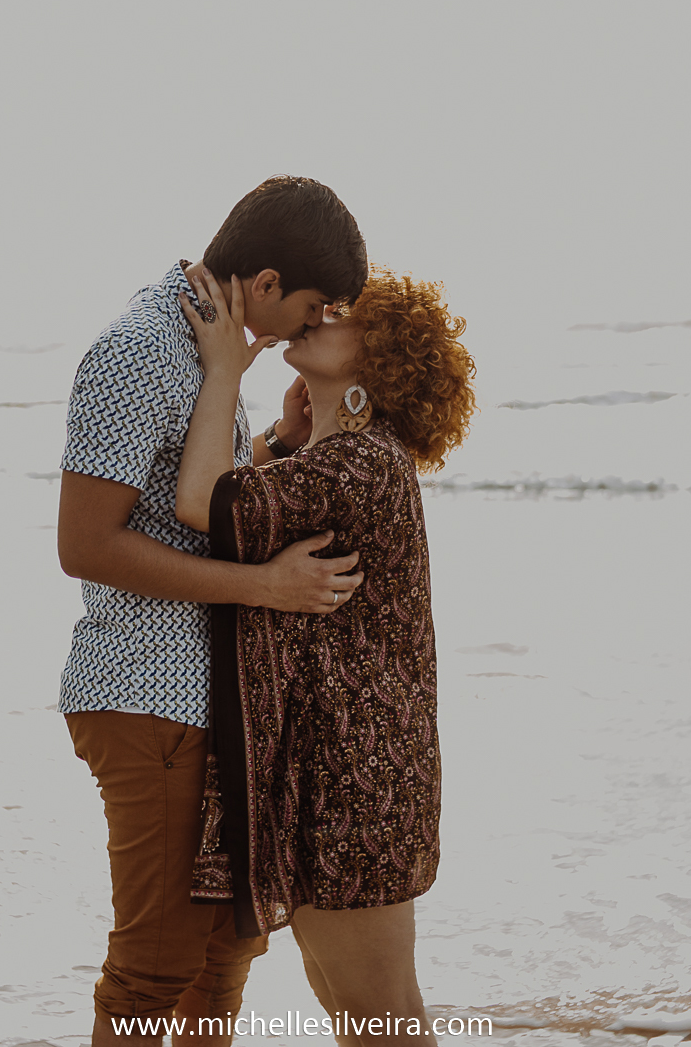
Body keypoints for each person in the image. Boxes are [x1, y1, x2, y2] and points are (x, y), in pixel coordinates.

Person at [57, 177, 368, 1047]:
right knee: (154, 969)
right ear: (266, 284)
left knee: (226, 957)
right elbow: (87, 544)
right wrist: (265, 587)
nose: (314, 327)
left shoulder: (216, 349)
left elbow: (190, 504)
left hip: (217, 701)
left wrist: (272, 446)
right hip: (148, 696)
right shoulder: (138, 352)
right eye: (312, 308)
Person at [175, 266, 476, 1046]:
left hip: (355, 796)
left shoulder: (360, 465)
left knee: (383, 1028)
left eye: (347, 317)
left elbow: (204, 503)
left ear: (378, 364)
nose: (322, 316)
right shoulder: (342, 461)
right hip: (340, 787)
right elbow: (248, 507)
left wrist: (221, 370)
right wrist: (281, 439)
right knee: (365, 1024)